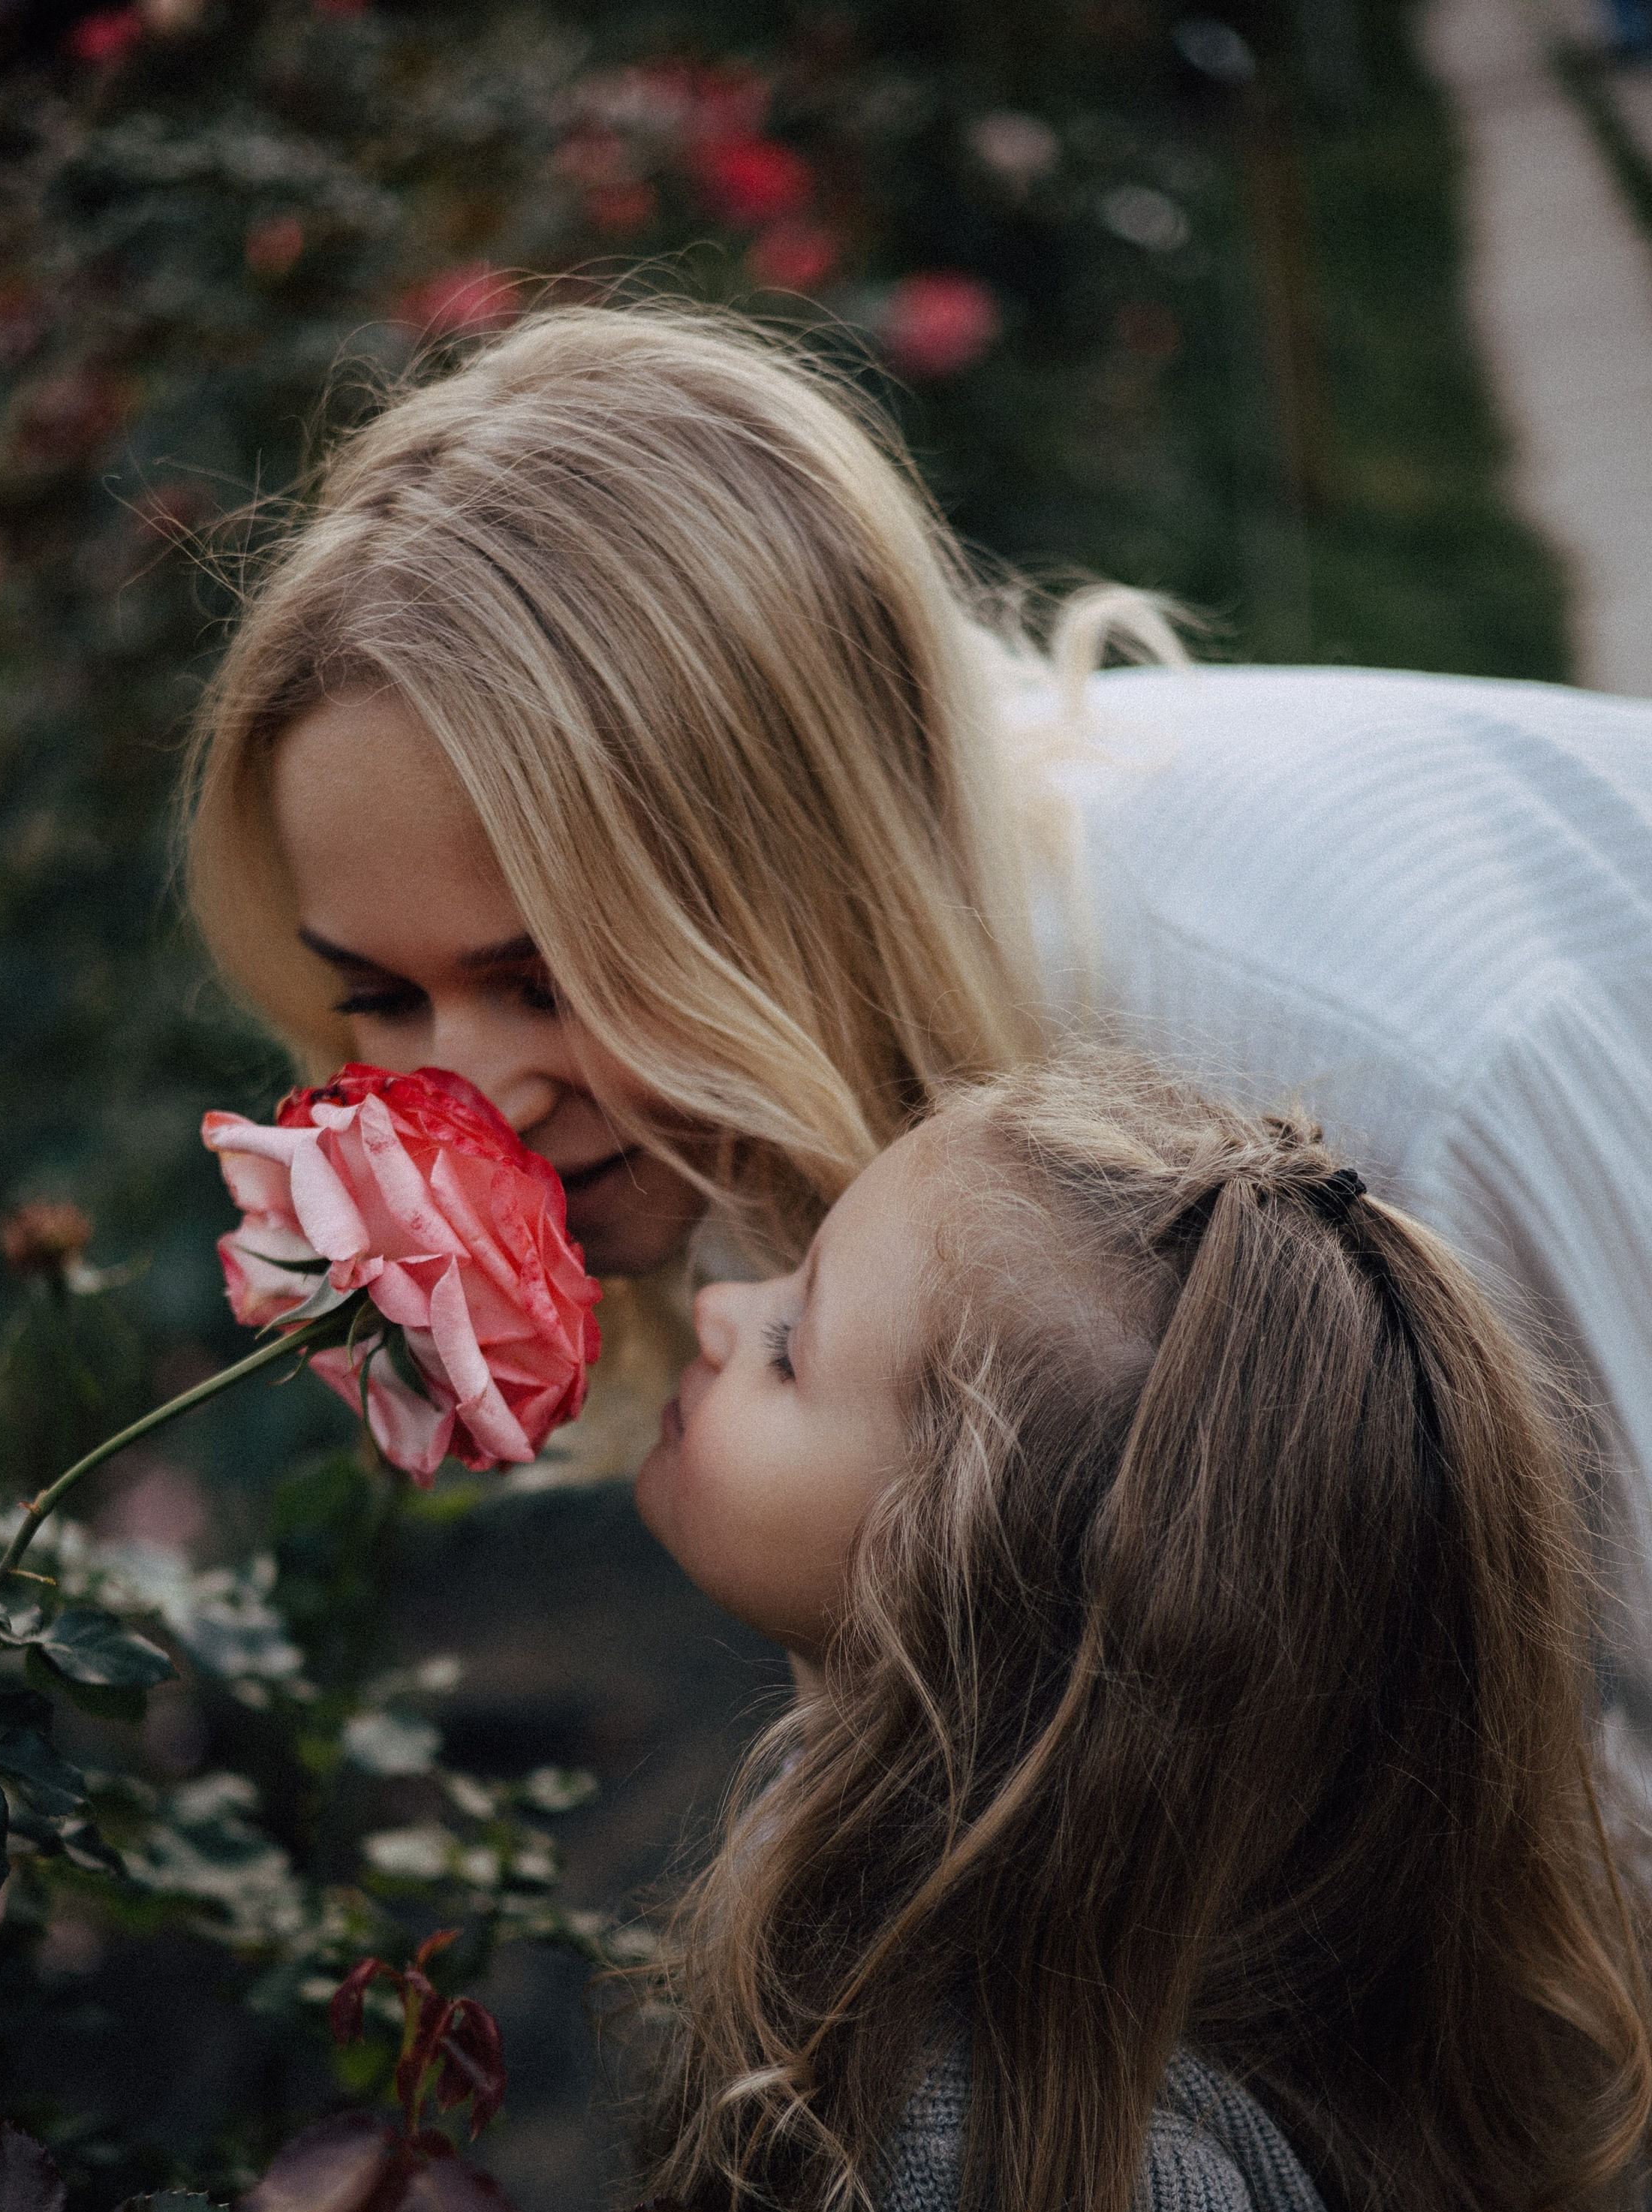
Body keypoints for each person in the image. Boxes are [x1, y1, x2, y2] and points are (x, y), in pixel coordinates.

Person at [185, 297, 1652, 1815]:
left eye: (551, 977)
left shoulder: (1382, 1082)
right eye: (380, 999)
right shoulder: (777, 1073)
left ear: (792, 853)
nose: (470, 1099)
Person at [634, 1050, 1652, 2212]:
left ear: (954, 1584)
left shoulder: (987, 2158)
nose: (712, 1306)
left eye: (791, 1345)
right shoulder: (1134, 1898)